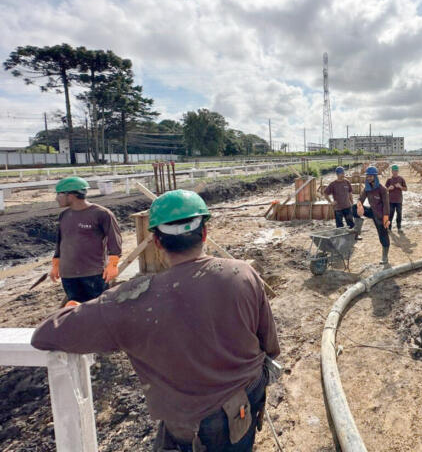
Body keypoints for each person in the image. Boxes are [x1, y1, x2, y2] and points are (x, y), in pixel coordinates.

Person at [32, 189, 280, 451]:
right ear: (205, 233)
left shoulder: (128, 300)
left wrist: (73, 309)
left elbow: (45, 334)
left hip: (194, 423)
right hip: (247, 397)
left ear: (157, 242)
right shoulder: (243, 273)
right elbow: (270, 345)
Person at [49, 176, 122, 302]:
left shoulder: (101, 214)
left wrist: (113, 265)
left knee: (99, 308)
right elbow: (61, 242)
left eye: (59, 194)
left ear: (71, 195)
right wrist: (56, 265)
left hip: (94, 274)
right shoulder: (64, 215)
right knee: (75, 308)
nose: (56, 198)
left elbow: (114, 240)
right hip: (68, 275)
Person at [355, 166, 391, 264]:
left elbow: (386, 205)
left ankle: (385, 256)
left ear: (375, 177)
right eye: (368, 176)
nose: (368, 178)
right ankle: (357, 229)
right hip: (372, 212)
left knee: (383, 236)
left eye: (371, 176)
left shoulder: (382, 189)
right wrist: (359, 205)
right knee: (354, 207)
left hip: (381, 215)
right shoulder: (367, 188)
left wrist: (386, 218)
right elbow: (361, 198)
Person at [385, 164, 407, 231]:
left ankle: (399, 227)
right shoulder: (389, 180)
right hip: (391, 200)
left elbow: (406, 189)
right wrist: (389, 188)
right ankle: (389, 228)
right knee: (390, 214)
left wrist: (400, 187)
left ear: (398, 171)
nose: (395, 172)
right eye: (394, 171)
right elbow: (384, 190)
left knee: (399, 214)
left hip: (399, 200)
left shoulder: (401, 179)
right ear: (392, 171)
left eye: (396, 171)